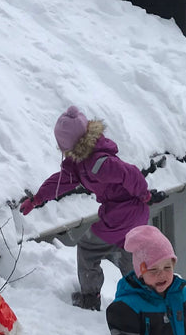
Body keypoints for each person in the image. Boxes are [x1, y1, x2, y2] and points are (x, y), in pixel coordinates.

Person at [19, 106, 153, 310]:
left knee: (88, 248)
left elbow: (130, 173)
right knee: (126, 253)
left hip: (124, 213)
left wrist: (143, 193)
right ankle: (144, 300)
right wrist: (38, 198)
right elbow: (61, 181)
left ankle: (90, 299)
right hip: (125, 212)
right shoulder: (82, 164)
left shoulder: (97, 163)